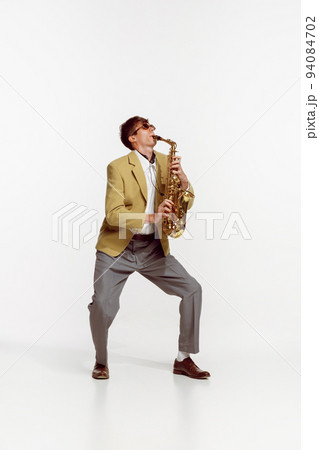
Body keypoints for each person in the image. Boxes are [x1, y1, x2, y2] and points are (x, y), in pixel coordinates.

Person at [88, 116, 210, 380]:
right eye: (145, 127)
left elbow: (182, 203)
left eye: (152, 125)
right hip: (117, 248)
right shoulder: (117, 167)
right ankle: (101, 361)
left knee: (192, 290)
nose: (152, 129)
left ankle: (183, 359)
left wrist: (185, 183)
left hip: (153, 249)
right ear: (133, 138)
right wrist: (152, 217)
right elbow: (113, 215)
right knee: (103, 307)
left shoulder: (168, 162)